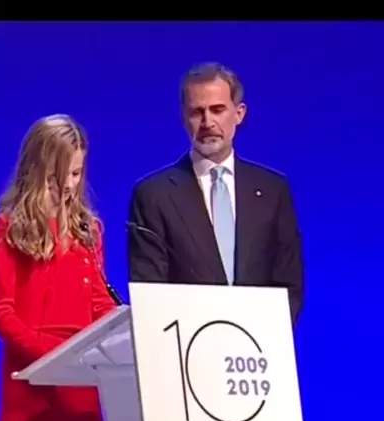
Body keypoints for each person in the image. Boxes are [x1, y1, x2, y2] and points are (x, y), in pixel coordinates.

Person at [127, 62, 304, 325]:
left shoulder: (272, 190)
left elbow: (289, 286)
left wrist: (262, 335)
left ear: (239, 113)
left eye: (217, 110)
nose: (208, 122)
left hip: (258, 343)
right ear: (183, 118)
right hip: (188, 344)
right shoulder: (154, 195)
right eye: (197, 112)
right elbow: (151, 294)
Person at [0, 114, 117, 421]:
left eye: (76, 174)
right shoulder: (8, 228)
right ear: (36, 170)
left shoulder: (88, 230)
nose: (68, 186)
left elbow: (98, 301)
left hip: (80, 378)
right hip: (30, 376)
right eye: (57, 177)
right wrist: (51, 354)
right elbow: (0, 309)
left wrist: (118, 330)